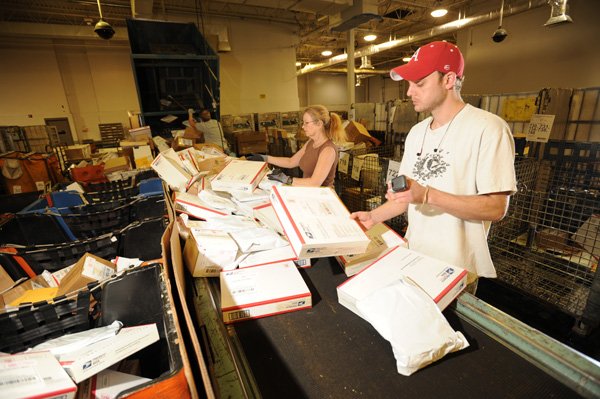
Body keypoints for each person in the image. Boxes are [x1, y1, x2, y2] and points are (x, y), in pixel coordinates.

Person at [350, 41, 517, 293]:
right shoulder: (417, 132)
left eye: (419, 83)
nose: (408, 92)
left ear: (448, 79)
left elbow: (496, 208)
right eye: (409, 84)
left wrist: (427, 195)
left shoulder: (488, 128)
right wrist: (372, 218)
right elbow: (407, 196)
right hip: (414, 255)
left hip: (455, 268)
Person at [247, 105, 346, 187]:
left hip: (322, 199)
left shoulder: (327, 150)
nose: (303, 126)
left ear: (319, 124)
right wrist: (265, 158)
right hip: (308, 194)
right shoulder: (311, 142)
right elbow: (291, 162)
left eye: (306, 123)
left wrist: (287, 179)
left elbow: (314, 183)